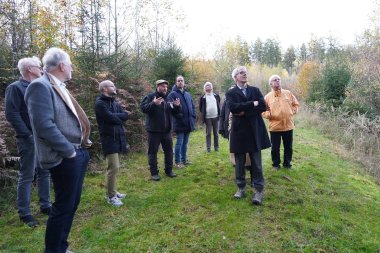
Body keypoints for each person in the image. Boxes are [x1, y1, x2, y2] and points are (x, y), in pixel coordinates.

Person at [25, 47, 92, 253]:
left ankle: (61, 247)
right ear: (62, 65)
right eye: (70, 64)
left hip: (77, 152)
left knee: (71, 204)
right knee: (63, 206)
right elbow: (44, 125)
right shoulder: (40, 86)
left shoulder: (59, 85)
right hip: (65, 156)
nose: (71, 67)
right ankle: (53, 250)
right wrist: (69, 152)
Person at [5, 56, 51, 227]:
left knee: (44, 171)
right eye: (39, 67)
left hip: (43, 138)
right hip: (28, 140)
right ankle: (24, 213)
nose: (41, 69)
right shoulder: (15, 88)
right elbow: (12, 113)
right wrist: (27, 135)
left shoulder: (40, 86)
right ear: (30, 69)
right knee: (27, 175)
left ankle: (45, 206)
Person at [225, 66, 271, 205]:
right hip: (239, 131)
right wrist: (252, 104)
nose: (244, 74)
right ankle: (241, 188)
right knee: (239, 162)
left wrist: (245, 111)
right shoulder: (231, 93)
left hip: (254, 130)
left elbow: (263, 106)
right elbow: (233, 108)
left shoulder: (255, 90)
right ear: (235, 77)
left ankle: (258, 190)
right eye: (241, 73)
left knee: (256, 162)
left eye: (245, 72)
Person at [95, 80, 129, 207]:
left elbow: (125, 116)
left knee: (116, 167)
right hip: (109, 139)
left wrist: (119, 117)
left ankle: (113, 191)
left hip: (118, 137)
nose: (115, 87)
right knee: (113, 168)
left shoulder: (114, 102)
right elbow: (110, 118)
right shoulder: (100, 104)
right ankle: (111, 196)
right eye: (112, 86)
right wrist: (119, 117)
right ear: (104, 89)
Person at [140, 80, 181, 181]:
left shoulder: (168, 98)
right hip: (154, 131)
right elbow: (143, 108)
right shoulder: (150, 97)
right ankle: (154, 173)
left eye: (166, 87)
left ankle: (169, 170)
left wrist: (177, 106)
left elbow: (175, 113)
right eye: (163, 86)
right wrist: (153, 103)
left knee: (169, 151)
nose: (165, 88)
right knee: (153, 152)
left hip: (166, 131)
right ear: (157, 86)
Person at [262, 75, 300, 170]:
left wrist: (292, 111)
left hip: (288, 126)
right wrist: (269, 115)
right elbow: (262, 110)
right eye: (275, 80)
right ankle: (275, 164)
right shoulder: (267, 97)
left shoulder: (288, 93)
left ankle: (287, 164)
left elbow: (296, 105)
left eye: (279, 79)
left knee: (288, 147)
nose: (277, 81)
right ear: (271, 83)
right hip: (275, 127)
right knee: (275, 148)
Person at [168, 75, 196, 168]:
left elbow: (192, 106)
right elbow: (170, 109)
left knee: (185, 143)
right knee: (179, 143)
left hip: (188, 122)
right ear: (176, 83)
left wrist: (193, 116)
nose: (180, 82)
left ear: (184, 82)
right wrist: (178, 114)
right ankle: (177, 162)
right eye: (178, 80)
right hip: (179, 123)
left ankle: (184, 160)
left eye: (182, 80)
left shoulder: (187, 94)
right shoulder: (172, 94)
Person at [199, 82, 220, 153]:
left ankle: (216, 148)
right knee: (208, 133)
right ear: (205, 88)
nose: (208, 86)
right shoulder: (203, 97)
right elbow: (201, 108)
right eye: (207, 85)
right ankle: (208, 149)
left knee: (216, 133)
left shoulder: (216, 95)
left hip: (216, 116)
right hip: (208, 118)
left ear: (212, 87)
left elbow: (218, 104)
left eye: (209, 85)